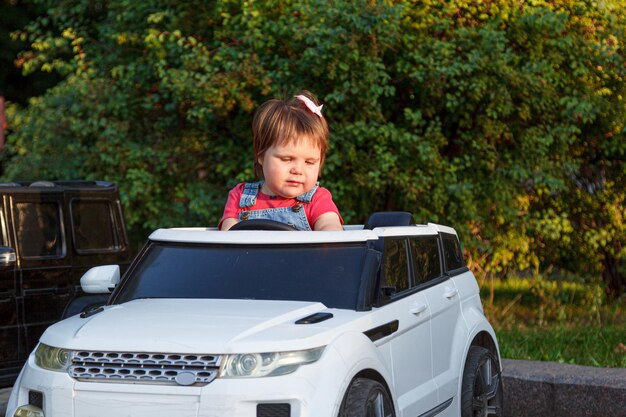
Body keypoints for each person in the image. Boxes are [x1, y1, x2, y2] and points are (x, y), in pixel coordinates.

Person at [219, 91, 343, 231]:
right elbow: (228, 240)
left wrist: (329, 232)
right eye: (286, 159)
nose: (298, 170)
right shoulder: (241, 197)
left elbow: (331, 230)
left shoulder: (317, 199)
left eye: (309, 162)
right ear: (261, 155)